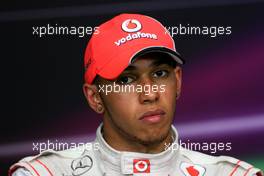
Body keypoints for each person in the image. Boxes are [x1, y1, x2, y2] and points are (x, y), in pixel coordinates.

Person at [10, 13, 263, 176]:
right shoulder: (46, 173)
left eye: (160, 74)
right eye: (126, 79)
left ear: (178, 81)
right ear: (95, 97)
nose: (150, 94)